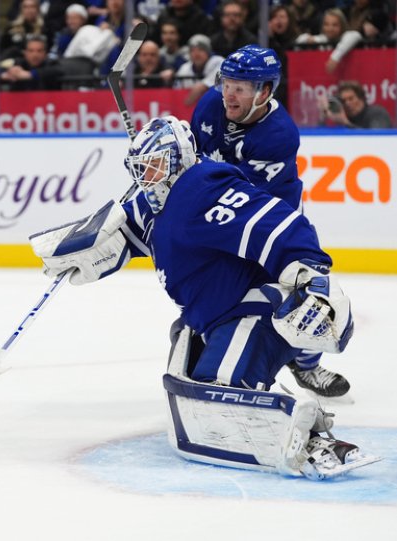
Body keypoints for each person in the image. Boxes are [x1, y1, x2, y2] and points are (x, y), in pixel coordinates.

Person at [29, 116, 368, 480]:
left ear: (180, 159)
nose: (147, 177)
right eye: (142, 169)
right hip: (215, 315)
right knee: (193, 370)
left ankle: (314, 437)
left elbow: (276, 224)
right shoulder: (159, 197)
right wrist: (88, 245)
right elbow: (128, 229)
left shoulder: (205, 187)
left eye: (155, 166)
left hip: (255, 314)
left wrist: (310, 275)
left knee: (221, 388)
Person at [189, 44, 351, 398]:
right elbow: (192, 160)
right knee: (215, 287)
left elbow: (243, 198)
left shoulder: (278, 134)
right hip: (221, 217)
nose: (228, 94)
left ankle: (307, 365)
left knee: (308, 290)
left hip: (273, 222)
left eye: (240, 88)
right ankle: (218, 350)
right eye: (226, 83)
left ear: (264, 92)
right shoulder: (208, 106)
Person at [321, 80, 393, 129]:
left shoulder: (377, 113)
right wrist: (324, 117)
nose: (347, 103)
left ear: (361, 98)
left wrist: (346, 123)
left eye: (351, 99)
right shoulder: (343, 116)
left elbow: (376, 138)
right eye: (344, 101)